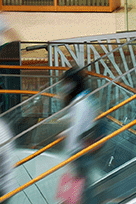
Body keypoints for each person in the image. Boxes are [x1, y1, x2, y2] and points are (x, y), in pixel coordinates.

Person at [61, 67, 99, 204]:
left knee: (78, 193)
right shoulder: (84, 99)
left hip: (79, 152)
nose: (65, 86)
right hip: (82, 151)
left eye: (67, 82)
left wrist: (70, 153)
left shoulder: (80, 103)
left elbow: (77, 128)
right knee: (79, 192)